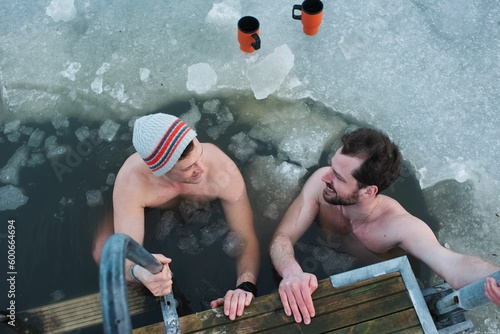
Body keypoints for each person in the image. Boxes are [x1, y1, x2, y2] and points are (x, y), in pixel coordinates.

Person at [269, 127, 500, 325]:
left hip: (370, 299)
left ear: (368, 191)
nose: (325, 177)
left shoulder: (398, 226)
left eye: (338, 177)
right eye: (331, 168)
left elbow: (454, 265)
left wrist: (497, 277)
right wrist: (291, 272)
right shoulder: (321, 187)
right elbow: (283, 237)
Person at [93, 113, 259, 320]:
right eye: (189, 168)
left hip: (198, 215)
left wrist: (245, 286)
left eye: (199, 156)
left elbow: (246, 238)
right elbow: (126, 259)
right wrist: (139, 273)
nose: (202, 169)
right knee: (102, 251)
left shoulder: (221, 168)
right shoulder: (132, 181)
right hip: (148, 212)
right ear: (160, 171)